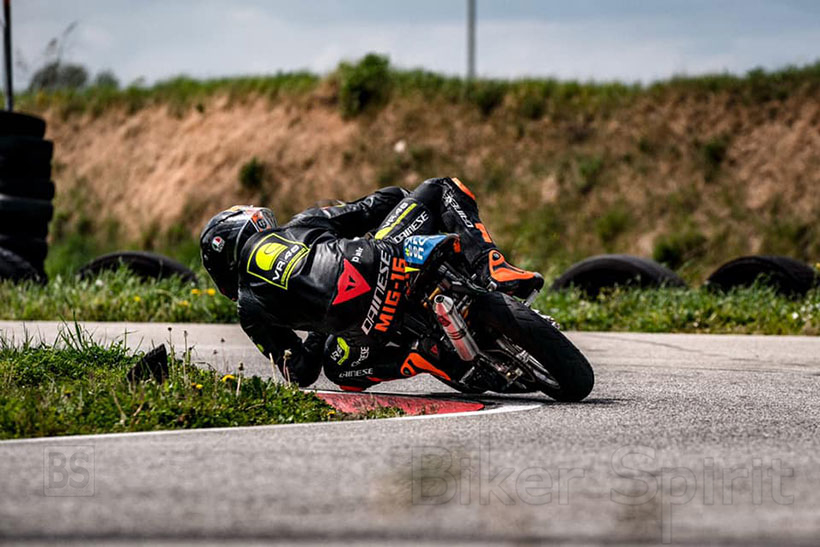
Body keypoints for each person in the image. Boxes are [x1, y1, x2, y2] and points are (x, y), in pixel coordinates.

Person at [200, 177, 543, 391]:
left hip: (358, 329)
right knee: (441, 187)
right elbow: (378, 204)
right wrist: (402, 204)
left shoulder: (248, 308)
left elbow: (300, 372)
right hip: (382, 262)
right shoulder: (301, 223)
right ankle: (491, 266)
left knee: (338, 369)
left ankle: (418, 358)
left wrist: (320, 329)